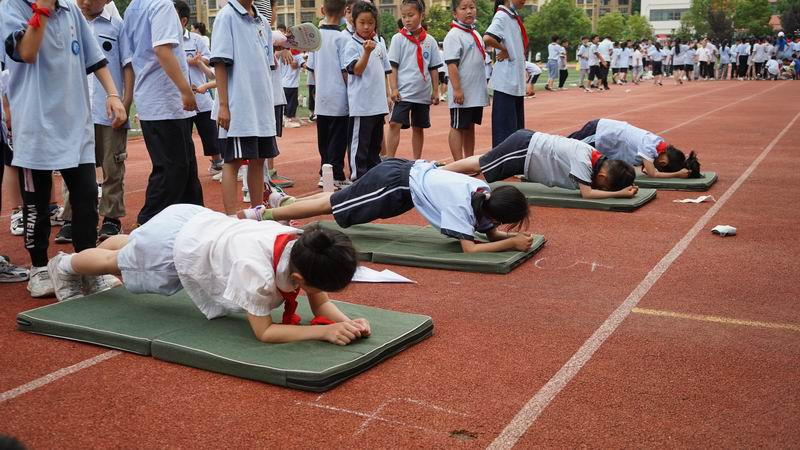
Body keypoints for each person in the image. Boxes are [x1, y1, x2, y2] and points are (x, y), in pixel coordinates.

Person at [47, 204, 371, 346]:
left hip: (194, 223)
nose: (319, 293)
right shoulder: (255, 272)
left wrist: (345, 322)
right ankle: (64, 266)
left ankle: (129, 244)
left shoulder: (306, 248)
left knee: (132, 246)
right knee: (114, 262)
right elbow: (265, 333)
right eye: (316, 287)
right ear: (299, 280)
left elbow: (319, 304)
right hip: (176, 247)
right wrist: (323, 333)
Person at [1, 0, 127, 297]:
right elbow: (27, 52)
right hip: (35, 127)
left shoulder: (70, 10)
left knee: (85, 200)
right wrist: (42, 10)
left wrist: (112, 94)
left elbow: (95, 59)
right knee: (38, 206)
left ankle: (87, 266)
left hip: (76, 124)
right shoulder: (12, 7)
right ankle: (39, 267)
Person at [248, 158, 534, 253]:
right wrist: (511, 244)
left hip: (403, 181)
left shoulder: (482, 193)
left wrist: (513, 237)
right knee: (334, 207)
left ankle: (283, 202)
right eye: (504, 222)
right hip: (395, 183)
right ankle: (265, 213)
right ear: (496, 214)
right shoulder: (463, 205)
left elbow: (490, 233)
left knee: (335, 202)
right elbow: (470, 249)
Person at [122, 0, 204, 226]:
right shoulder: (161, 5)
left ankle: (194, 219)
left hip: (156, 99)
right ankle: (148, 222)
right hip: (165, 100)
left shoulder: (133, 8)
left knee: (184, 167)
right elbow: (162, 50)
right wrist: (185, 90)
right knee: (173, 169)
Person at [211, 0, 277, 215]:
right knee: (233, 161)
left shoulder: (262, 22)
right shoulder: (226, 16)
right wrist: (223, 105)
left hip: (260, 106)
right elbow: (220, 62)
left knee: (259, 161)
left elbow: (266, 64)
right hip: (239, 105)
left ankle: (257, 213)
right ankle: (230, 218)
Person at [78, 0, 135, 242]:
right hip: (77, 110)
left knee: (113, 166)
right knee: (77, 166)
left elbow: (127, 65)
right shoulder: (71, 22)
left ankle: (111, 218)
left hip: (108, 109)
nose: (87, 2)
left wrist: (126, 100)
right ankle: (74, 217)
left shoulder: (117, 27)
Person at [443, 129, 638, 199]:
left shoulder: (595, 158)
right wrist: (618, 193)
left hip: (527, 149)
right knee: (481, 165)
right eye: (603, 186)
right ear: (602, 176)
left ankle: (443, 170)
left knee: (484, 161)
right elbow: (586, 194)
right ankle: (440, 171)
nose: (600, 187)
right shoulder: (584, 160)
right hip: (525, 148)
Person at [386, 0, 442, 160]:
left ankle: (417, 160)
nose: (407, 19)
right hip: (403, 92)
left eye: (411, 15)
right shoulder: (398, 39)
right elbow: (393, 66)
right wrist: (393, 88)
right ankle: (389, 159)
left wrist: (436, 91)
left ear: (422, 15)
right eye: (404, 16)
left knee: (418, 127)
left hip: (422, 93)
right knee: (394, 124)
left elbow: (433, 67)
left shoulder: (430, 41)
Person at [342, 1, 391, 181]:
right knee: (359, 144)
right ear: (354, 22)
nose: (366, 26)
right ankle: (357, 177)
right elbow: (356, 70)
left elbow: (385, 71)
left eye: (370, 22)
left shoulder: (379, 43)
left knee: (374, 144)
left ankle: (373, 175)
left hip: (378, 104)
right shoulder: (352, 44)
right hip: (361, 106)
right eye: (362, 22)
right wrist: (366, 53)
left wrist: (388, 94)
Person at [174, 2, 222, 176]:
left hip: (200, 95)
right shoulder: (168, 41)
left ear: (184, 21)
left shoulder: (197, 40)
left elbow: (209, 65)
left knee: (209, 132)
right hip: (180, 99)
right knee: (182, 137)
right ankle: (185, 168)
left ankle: (218, 162)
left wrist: (198, 62)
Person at [308, 0, 351, 187]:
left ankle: (324, 172)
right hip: (339, 96)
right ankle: (337, 174)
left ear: (322, 10)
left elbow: (311, 67)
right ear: (344, 11)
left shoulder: (315, 37)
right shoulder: (343, 38)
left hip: (322, 95)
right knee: (338, 137)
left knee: (324, 137)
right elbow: (345, 70)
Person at [568, 118, 701, 178]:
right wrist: (677, 174)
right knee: (568, 146)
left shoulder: (658, 144)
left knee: (574, 152)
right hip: (599, 132)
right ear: (663, 162)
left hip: (605, 140)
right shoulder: (650, 146)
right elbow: (652, 173)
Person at [444, 0, 489, 161]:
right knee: (457, 126)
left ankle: (468, 160)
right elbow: (452, 65)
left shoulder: (475, 33)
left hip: (475, 92)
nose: (469, 11)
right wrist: (457, 89)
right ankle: (458, 163)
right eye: (463, 8)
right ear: (455, 13)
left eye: (472, 7)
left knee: (470, 126)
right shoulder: (454, 35)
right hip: (462, 93)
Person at [484, 0, 531, 147]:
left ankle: (512, 164)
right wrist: (503, 49)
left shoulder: (512, 16)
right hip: (506, 83)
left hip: (514, 81)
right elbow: (488, 37)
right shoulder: (502, 16)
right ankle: (501, 166)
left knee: (516, 130)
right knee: (505, 133)